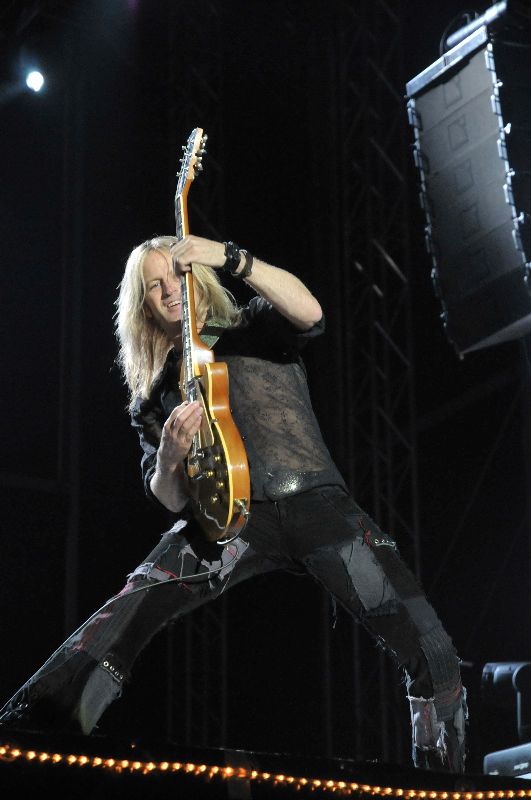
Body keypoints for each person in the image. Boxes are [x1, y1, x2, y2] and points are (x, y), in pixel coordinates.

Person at [0, 234, 468, 772]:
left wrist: (229, 257)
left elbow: (310, 311)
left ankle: (442, 782)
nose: (168, 291)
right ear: (142, 305)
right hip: (231, 524)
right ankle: (29, 750)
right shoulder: (156, 392)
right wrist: (169, 456)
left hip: (317, 504)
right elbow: (168, 497)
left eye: (174, 276)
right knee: (127, 613)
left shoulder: (252, 327)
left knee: (432, 650)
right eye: (153, 286)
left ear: (195, 276)